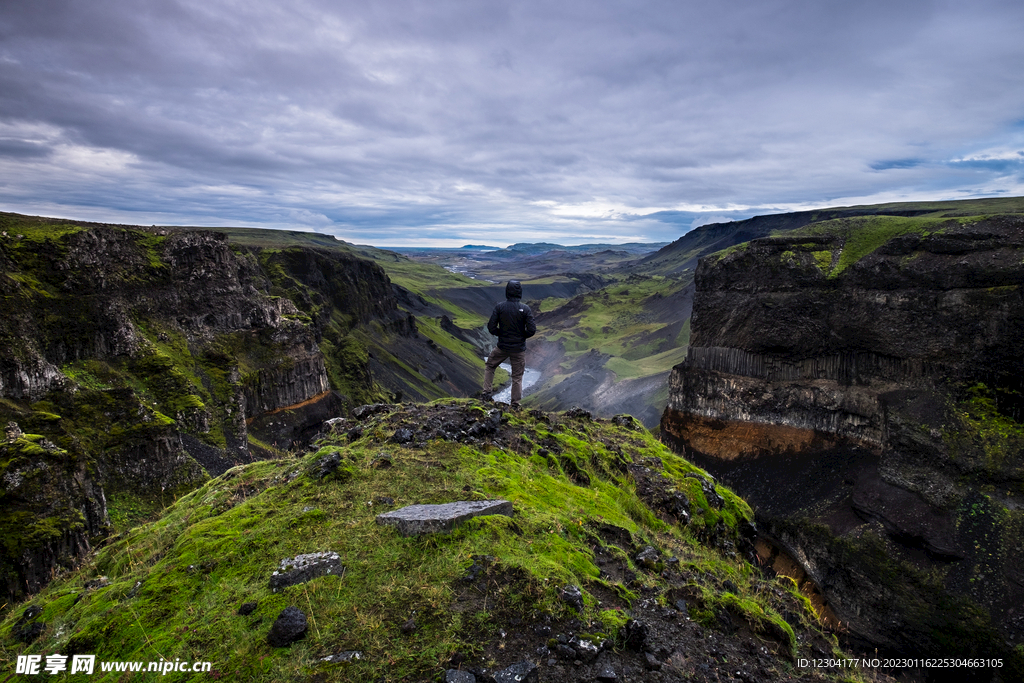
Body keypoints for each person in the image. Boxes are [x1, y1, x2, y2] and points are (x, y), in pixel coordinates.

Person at [482, 280, 536, 409]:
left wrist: (500, 334)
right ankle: (515, 404)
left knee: (490, 366)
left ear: (507, 291)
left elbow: (491, 327)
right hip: (518, 349)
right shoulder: (525, 309)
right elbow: (532, 330)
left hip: (502, 347)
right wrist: (521, 336)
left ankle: (486, 394)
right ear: (519, 292)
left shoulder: (500, 307)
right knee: (517, 376)